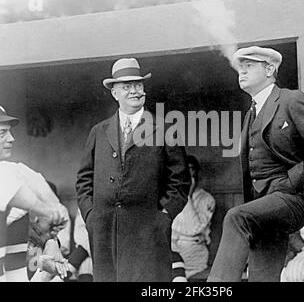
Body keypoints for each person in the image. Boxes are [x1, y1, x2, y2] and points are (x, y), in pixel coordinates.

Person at [207, 46, 304, 282]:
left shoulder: (291, 100)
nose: (242, 72)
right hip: (263, 205)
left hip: (293, 198)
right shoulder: (251, 113)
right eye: (240, 67)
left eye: (249, 66)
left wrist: (292, 181)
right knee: (262, 278)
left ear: (270, 69)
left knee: (236, 216)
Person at [76, 58, 190, 282]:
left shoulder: (165, 129)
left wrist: (164, 216)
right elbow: (84, 179)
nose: (135, 91)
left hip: (148, 232)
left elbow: (181, 180)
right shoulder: (99, 131)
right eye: (126, 87)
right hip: (105, 232)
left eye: (138, 85)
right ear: (114, 93)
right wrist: (91, 215)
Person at [0, 106, 69, 281]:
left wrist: (50, 242)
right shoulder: (6, 177)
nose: (11, 138)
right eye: (2, 133)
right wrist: (51, 214)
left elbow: (28, 175)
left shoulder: (11, 172)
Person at [171, 155, 215, 279]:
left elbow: (193, 229)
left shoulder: (207, 199)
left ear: (196, 172)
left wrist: (188, 197)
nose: (188, 173)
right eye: (184, 169)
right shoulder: (171, 196)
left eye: (191, 168)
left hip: (193, 251)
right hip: (172, 248)